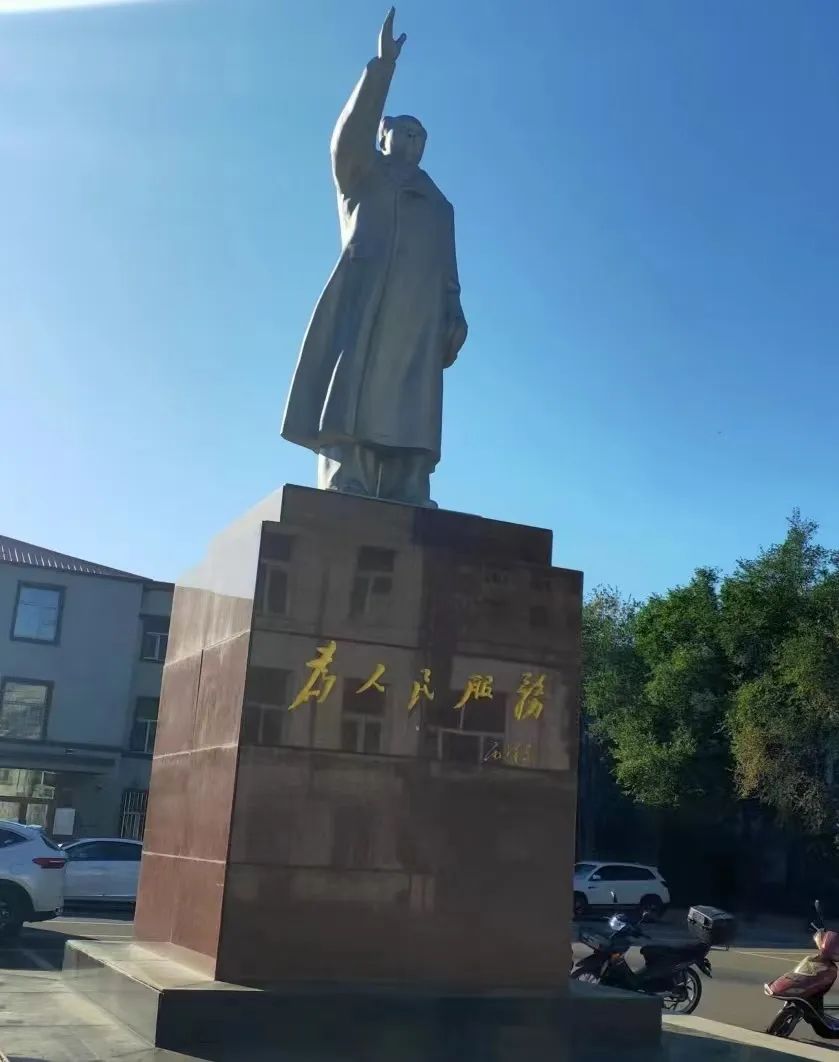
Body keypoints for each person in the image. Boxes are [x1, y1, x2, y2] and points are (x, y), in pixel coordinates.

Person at [281, 8, 468, 507]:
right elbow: (348, 136)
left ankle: (410, 482)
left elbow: (448, 273)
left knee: (413, 402)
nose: (414, 141)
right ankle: (349, 475)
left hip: (420, 317)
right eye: (405, 131)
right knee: (354, 390)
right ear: (384, 134)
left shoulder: (439, 204)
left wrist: (454, 311)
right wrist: (383, 68)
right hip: (367, 300)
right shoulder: (363, 174)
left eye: (421, 136)